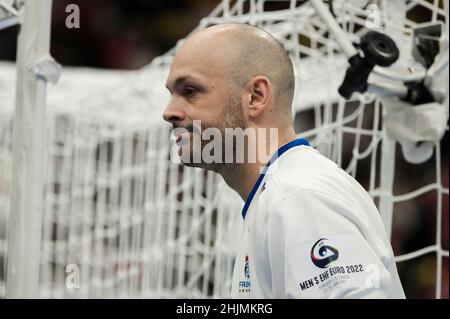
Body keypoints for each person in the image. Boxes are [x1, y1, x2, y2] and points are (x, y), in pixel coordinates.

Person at [163, 23, 405, 298]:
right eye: (172, 94)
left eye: (190, 91)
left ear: (256, 97)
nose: (169, 112)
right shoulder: (279, 196)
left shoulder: (298, 197)